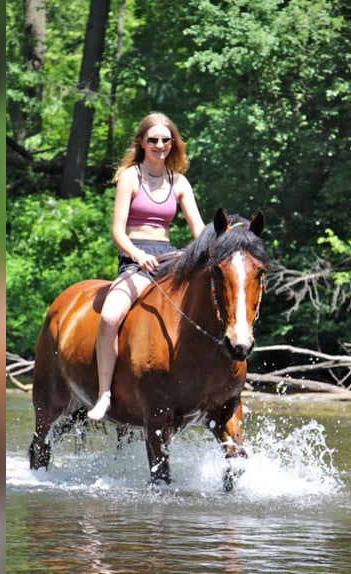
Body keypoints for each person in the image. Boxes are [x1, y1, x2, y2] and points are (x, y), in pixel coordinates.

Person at [87, 113, 205, 421]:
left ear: (173, 143)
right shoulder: (130, 177)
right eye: (153, 140)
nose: (160, 145)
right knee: (111, 316)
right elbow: (117, 232)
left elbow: (199, 229)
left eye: (166, 140)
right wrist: (138, 255)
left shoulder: (179, 182)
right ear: (141, 142)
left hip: (169, 258)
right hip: (136, 259)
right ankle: (104, 394)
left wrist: (222, 241)